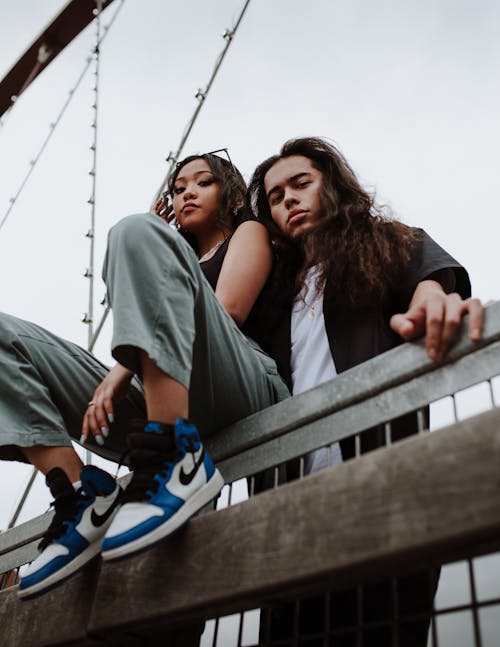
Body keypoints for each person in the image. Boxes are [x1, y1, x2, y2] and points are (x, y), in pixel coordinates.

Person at [0, 150, 288, 600]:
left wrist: (121, 369)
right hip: (162, 393)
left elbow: (228, 311)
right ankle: (79, 496)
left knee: (132, 229)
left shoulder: (247, 232)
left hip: (236, 382)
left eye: (203, 183)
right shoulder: (169, 255)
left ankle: (175, 456)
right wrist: (155, 246)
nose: (186, 191)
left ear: (231, 197)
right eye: (178, 187)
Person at [248, 137, 483, 645]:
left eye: (301, 183)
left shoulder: (388, 241)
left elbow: (433, 280)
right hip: (289, 510)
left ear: (332, 185)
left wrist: (433, 297)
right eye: (274, 196)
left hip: (383, 486)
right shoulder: (272, 293)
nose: (288, 199)